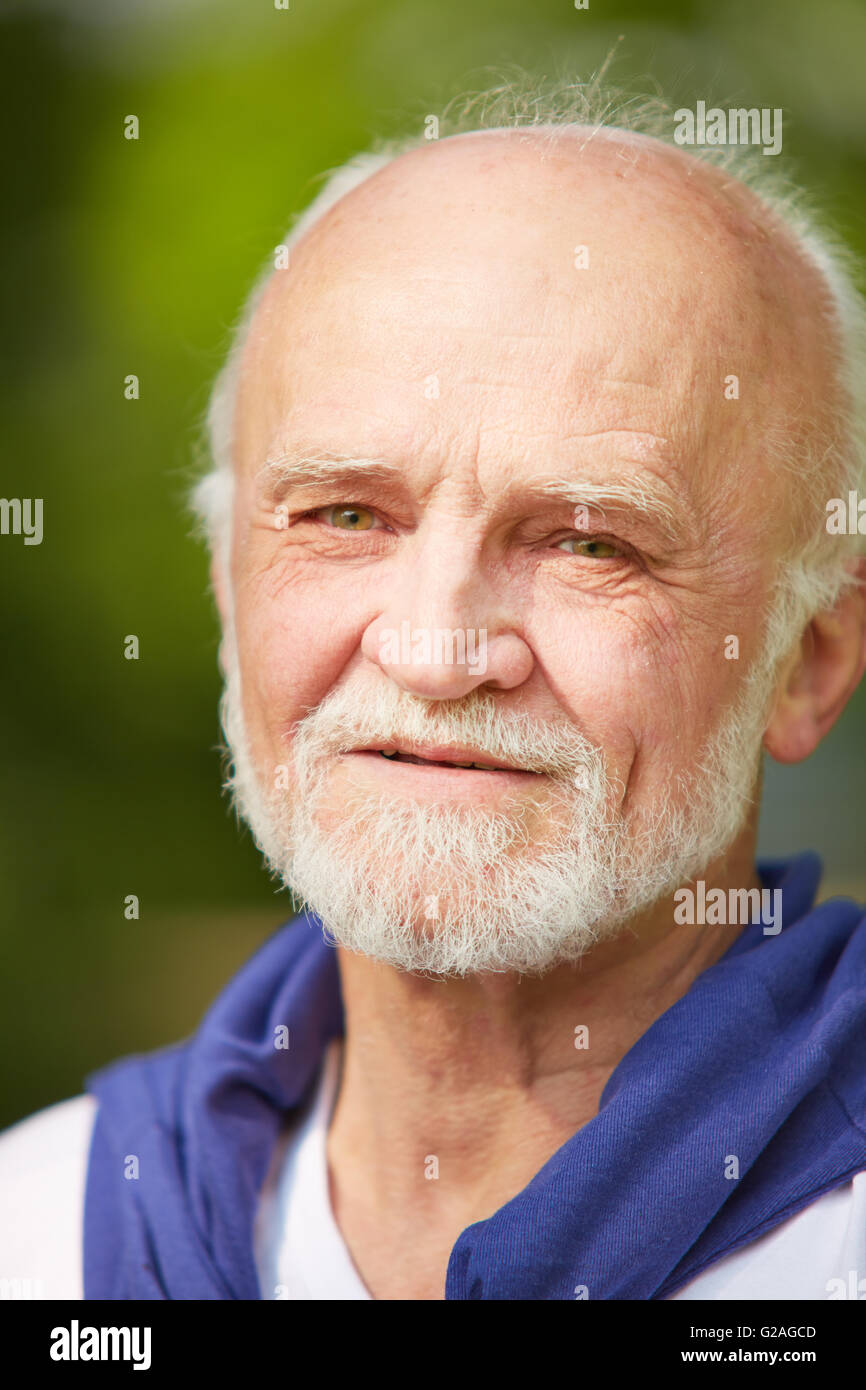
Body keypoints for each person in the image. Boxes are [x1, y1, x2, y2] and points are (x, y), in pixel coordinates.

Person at [2, 75, 866, 1302]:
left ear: (809, 658)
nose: (435, 649)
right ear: (231, 590)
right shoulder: (35, 1234)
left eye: (585, 541)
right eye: (345, 515)